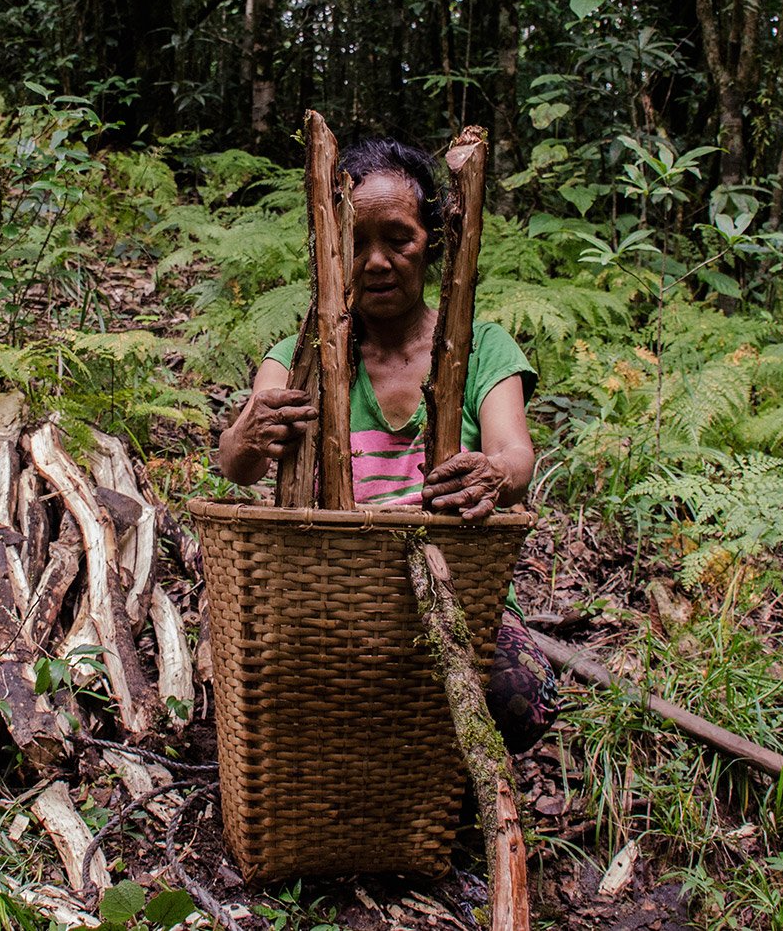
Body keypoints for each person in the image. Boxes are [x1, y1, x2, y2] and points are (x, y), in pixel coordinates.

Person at [216, 136, 558, 752]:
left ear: (434, 241)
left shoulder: (482, 347)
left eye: (397, 239)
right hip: (329, 600)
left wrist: (492, 475)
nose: (375, 262)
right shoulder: (306, 356)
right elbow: (236, 465)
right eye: (356, 240)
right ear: (331, 246)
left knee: (520, 699)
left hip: (458, 594)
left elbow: (516, 456)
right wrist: (248, 431)